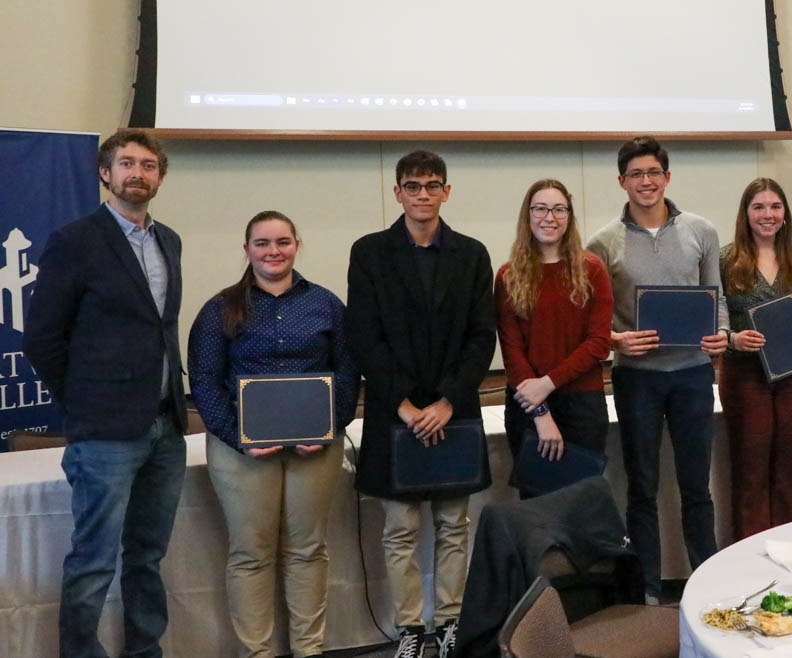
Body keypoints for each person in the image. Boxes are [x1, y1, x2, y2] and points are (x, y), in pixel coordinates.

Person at [24, 129, 187, 658]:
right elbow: (43, 338)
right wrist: (83, 404)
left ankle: (145, 652)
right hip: (105, 433)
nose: (137, 173)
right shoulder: (76, 240)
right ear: (105, 173)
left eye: (147, 165)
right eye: (126, 164)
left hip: (166, 428)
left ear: (159, 176)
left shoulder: (169, 240)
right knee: (93, 561)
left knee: (146, 556)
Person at [187, 211, 359, 658]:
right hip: (242, 452)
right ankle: (257, 652)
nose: (273, 251)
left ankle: (309, 649)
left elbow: (347, 371)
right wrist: (239, 437)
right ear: (246, 250)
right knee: (251, 554)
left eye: (282, 242)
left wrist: (329, 427)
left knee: (308, 550)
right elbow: (204, 381)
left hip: (315, 449)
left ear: (296, 245)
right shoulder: (219, 309)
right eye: (262, 243)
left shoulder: (325, 304)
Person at [346, 150, 496, 658]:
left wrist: (449, 402)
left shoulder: (472, 254)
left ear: (447, 191)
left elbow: (482, 337)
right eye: (413, 186)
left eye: (433, 185)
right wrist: (407, 406)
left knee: (455, 525)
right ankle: (410, 627)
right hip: (396, 413)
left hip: (455, 410)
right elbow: (365, 338)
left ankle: (450, 620)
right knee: (400, 529)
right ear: (398, 193)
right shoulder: (369, 252)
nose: (424, 194)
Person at [586, 135, 729, 603]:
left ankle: (706, 586)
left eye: (653, 173)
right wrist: (615, 339)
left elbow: (717, 299)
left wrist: (720, 334)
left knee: (696, 488)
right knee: (642, 490)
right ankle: (645, 591)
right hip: (636, 378)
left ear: (667, 177)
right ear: (622, 181)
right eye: (635, 175)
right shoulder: (602, 243)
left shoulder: (702, 231)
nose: (645, 182)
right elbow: (593, 321)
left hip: (692, 374)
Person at [718, 177, 792, 540]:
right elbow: (717, 322)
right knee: (752, 463)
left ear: (785, 214)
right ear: (745, 214)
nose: (768, 214)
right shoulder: (727, 260)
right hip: (745, 374)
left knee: (791, 459)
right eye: (758, 207)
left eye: (775, 206)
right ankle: (752, 547)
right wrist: (734, 339)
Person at [495, 179, 613, 490]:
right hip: (527, 407)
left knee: (582, 508)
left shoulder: (593, 270)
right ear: (528, 215)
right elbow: (511, 350)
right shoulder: (508, 276)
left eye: (560, 209)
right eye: (541, 209)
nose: (550, 217)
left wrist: (546, 384)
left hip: (582, 406)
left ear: (570, 217)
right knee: (536, 511)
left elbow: (599, 343)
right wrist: (540, 412)